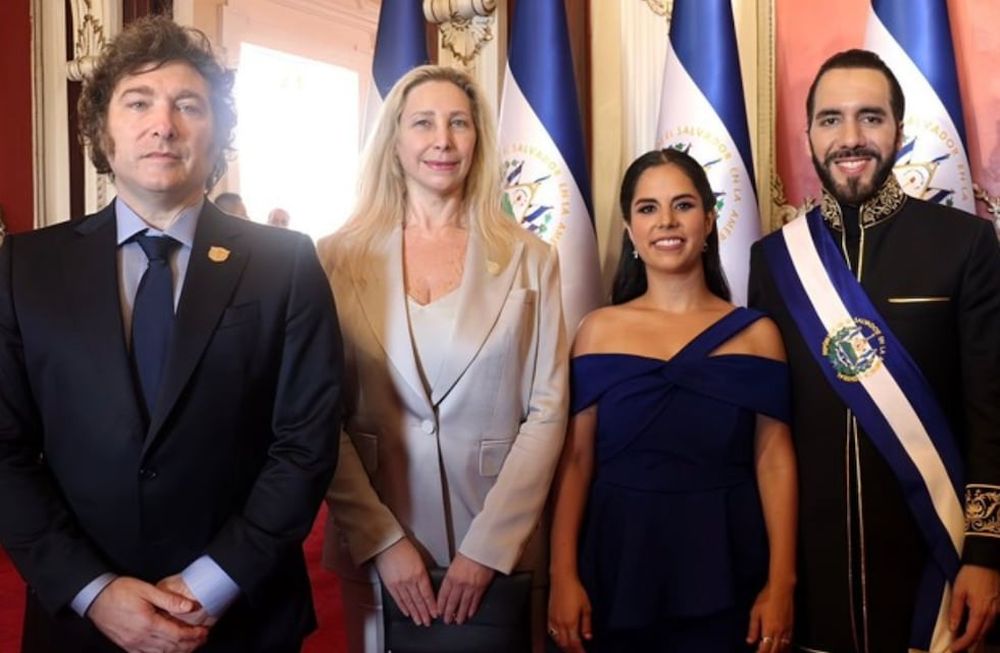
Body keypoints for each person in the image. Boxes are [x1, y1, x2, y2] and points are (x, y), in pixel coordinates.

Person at [0, 16, 343, 653]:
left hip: (244, 619)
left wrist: (207, 586)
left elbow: (304, 446)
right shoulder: (25, 268)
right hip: (80, 622)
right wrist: (94, 591)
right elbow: (5, 452)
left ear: (219, 135)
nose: (164, 124)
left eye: (189, 105)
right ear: (102, 128)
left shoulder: (285, 264)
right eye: (139, 102)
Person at [749, 49, 1000, 652]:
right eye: (831, 119)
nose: (850, 137)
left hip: (934, 567)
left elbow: (992, 411)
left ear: (899, 130)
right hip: (812, 578)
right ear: (808, 133)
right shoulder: (775, 261)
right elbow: (767, 428)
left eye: (871, 117)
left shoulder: (964, 243)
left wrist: (987, 553)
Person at [318, 64, 568, 653]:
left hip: (496, 546)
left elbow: (549, 410)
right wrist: (380, 540)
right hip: (376, 542)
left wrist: (490, 546)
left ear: (478, 138)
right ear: (394, 139)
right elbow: (316, 418)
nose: (443, 140)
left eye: (459, 123)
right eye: (423, 123)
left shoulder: (531, 258)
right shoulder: (333, 258)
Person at [548, 148, 797, 653]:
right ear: (629, 229)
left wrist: (782, 582)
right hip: (617, 563)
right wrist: (562, 575)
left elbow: (774, 460)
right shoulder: (597, 331)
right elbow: (576, 461)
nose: (666, 221)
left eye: (683, 205)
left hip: (728, 561)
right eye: (647, 208)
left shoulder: (757, 335)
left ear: (708, 221)